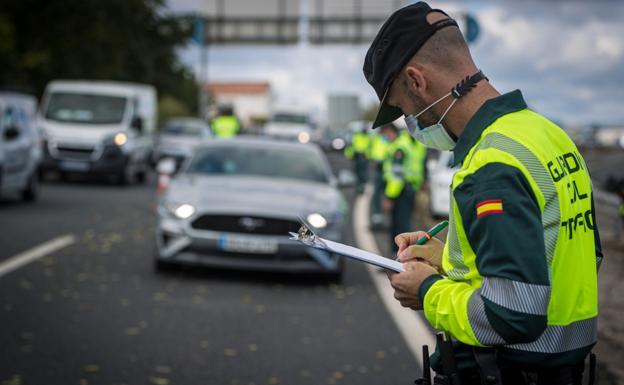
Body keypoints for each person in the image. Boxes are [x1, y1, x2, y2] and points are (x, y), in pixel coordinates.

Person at [362, 2, 602, 384]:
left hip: (505, 372)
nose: (412, 122)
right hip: (562, 369)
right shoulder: (547, 135)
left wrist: (426, 290)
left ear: (417, 81)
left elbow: (513, 315)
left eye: (402, 107)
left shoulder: (492, 166)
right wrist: (451, 259)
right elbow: (577, 252)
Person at [382, 126, 425, 252]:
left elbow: (397, 176)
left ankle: (399, 260)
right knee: (403, 225)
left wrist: (389, 197)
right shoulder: (412, 143)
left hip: (400, 191)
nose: (386, 137)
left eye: (387, 134)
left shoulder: (400, 147)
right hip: (409, 188)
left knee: (400, 227)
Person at [369, 124, 393, 229]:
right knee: (376, 195)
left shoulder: (393, 139)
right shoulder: (377, 139)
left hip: (389, 170)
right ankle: (377, 220)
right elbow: (373, 151)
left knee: (389, 195)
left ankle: (390, 222)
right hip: (379, 169)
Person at [344, 124, 371, 193]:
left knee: (362, 173)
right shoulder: (357, 136)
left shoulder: (368, 137)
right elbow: (351, 146)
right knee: (358, 172)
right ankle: (359, 186)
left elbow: (370, 148)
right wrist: (350, 154)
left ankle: (361, 186)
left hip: (364, 157)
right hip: (357, 157)